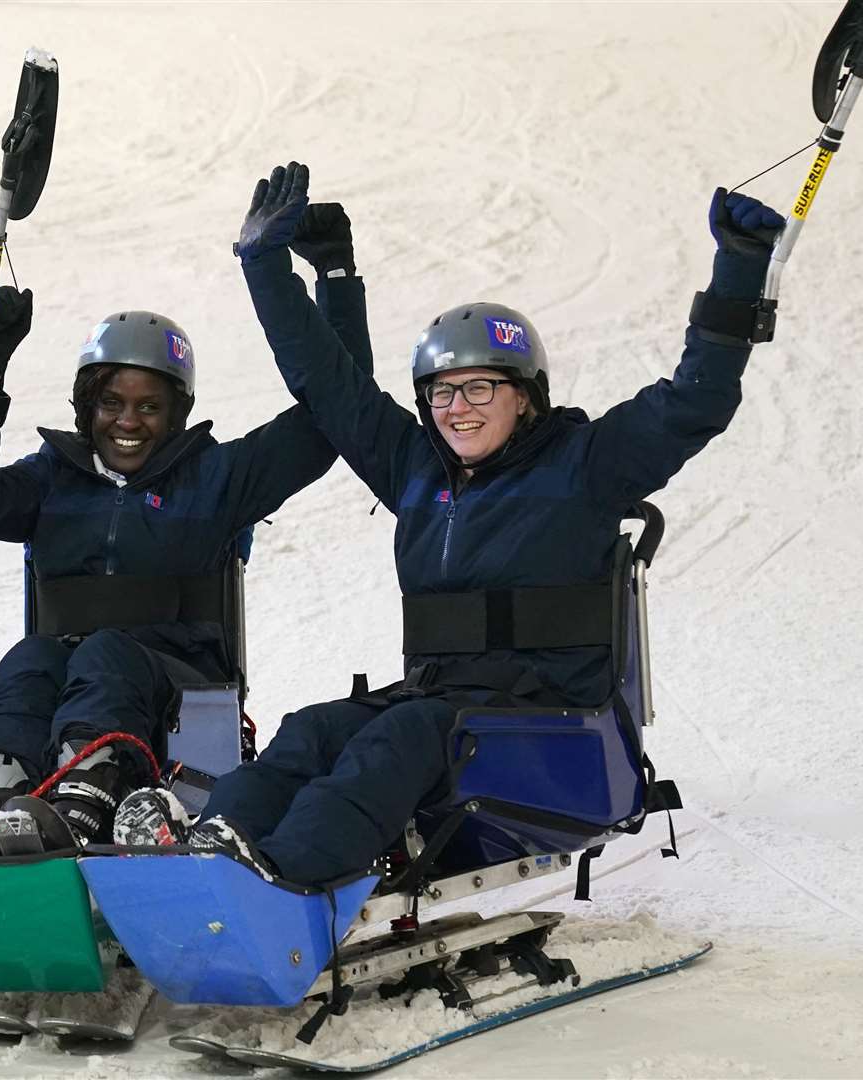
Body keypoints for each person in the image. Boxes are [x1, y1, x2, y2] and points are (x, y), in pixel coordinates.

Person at [117, 162, 785, 885]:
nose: (455, 408)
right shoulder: (415, 469)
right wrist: (264, 265)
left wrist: (738, 274)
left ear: (525, 396)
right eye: (439, 393)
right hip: (448, 709)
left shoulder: (585, 466)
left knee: (402, 732)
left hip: (546, 728)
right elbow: (326, 381)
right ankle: (212, 849)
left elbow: (695, 403)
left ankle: (285, 879)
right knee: (315, 730)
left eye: (477, 388)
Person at [0, 209, 374, 853]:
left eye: (148, 406)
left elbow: (334, 412)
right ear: (86, 408)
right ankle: (0, 798)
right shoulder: (54, 476)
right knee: (26, 662)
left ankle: (91, 789)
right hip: (67, 676)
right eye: (111, 403)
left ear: (177, 412)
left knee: (105, 653)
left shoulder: (217, 477)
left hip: (175, 684)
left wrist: (334, 277)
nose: (127, 421)